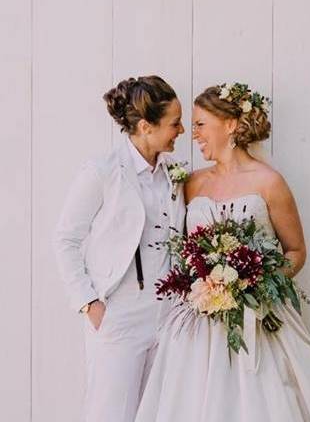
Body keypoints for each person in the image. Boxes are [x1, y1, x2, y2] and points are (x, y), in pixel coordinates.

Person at [135, 83, 310, 422]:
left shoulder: (269, 183)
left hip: (258, 320)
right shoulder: (190, 184)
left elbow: (295, 251)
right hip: (198, 323)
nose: (194, 134)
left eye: (201, 124)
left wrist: (254, 286)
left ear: (230, 124)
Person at [53, 75, 186, 422]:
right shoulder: (102, 172)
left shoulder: (174, 174)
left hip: (169, 315)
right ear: (145, 126)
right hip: (119, 313)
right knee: (111, 413)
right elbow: (66, 238)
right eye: (174, 123)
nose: (182, 131)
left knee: (160, 413)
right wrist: (88, 302)